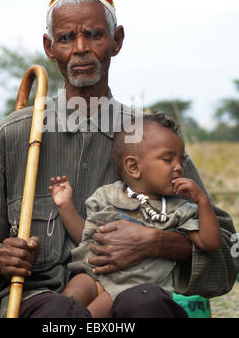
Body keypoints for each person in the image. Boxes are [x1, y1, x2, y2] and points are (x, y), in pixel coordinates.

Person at [0, 0, 239, 318]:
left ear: (117, 41)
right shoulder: (16, 135)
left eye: (95, 35)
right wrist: (0, 257)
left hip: (126, 295)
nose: (81, 48)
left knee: (147, 306)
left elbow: (228, 252)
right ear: (49, 47)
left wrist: (156, 242)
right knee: (57, 316)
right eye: (67, 38)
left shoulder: (151, 138)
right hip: (34, 300)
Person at [49, 112, 222, 318]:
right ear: (133, 167)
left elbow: (209, 243)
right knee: (68, 301)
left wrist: (202, 202)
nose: (178, 167)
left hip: (132, 286)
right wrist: (65, 206)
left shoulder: (178, 210)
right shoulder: (108, 197)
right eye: (168, 159)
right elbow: (86, 236)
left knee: (89, 316)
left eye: (181, 161)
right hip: (93, 275)